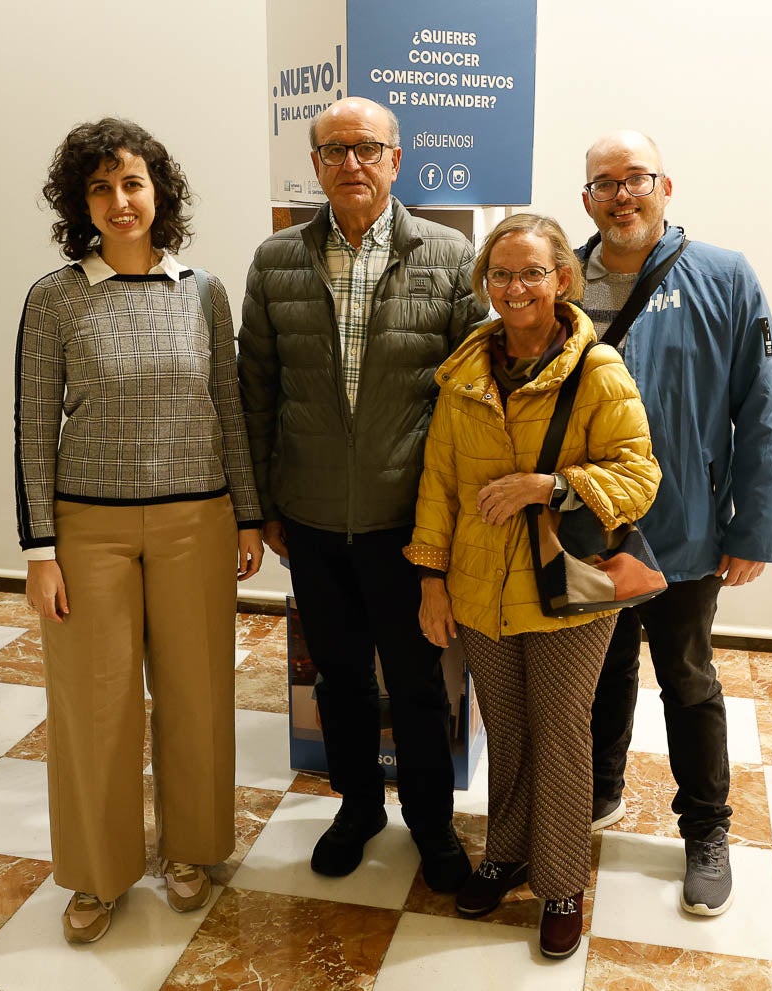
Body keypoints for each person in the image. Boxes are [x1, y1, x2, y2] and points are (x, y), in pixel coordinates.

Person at [14, 118, 264, 943]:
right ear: (80, 204)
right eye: (100, 188)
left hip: (198, 521)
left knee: (198, 693)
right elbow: (31, 428)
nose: (119, 201)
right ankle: (97, 871)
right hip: (88, 531)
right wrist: (40, 550)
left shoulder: (203, 291)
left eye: (132, 183)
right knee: (95, 705)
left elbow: (228, 408)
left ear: (160, 193)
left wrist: (248, 513)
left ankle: (190, 847)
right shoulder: (55, 298)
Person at [238, 97, 483, 891]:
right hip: (310, 518)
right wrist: (261, 504)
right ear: (313, 165)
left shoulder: (449, 257)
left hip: (407, 521)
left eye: (367, 148)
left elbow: (472, 402)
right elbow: (255, 391)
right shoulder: (276, 260)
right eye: (334, 150)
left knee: (416, 681)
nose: (351, 163)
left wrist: (450, 519)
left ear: (395, 159)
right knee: (338, 678)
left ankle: (431, 821)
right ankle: (357, 806)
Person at [407, 213, 661, 959]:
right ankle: (506, 853)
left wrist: (547, 486)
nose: (514, 287)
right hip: (479, 586)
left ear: (561, 279)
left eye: (530, 273)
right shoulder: (464, 371)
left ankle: (561, 882)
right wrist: (431, 579)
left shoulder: (596, 368)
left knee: (559, 732)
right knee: (508, 727)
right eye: (501, 274)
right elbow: (439, 483)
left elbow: (639, 475)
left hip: (567, 592)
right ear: (485, 282)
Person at [579, 130, 772, 917]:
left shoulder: (723, 276)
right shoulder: (560, 276)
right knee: (598, 671)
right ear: (587, 199)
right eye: (605, 182)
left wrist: (752, 529)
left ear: (665, 187)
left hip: (685, 529)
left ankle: (705, 830)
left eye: (636, 178)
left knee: (687, 680)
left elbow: (761, 408)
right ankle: (597, 789)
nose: (621, 195)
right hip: (587, 525)